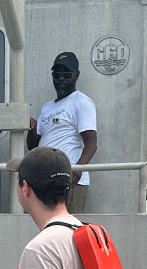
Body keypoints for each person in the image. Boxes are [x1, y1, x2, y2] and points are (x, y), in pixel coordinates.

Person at [27, 51, 98, 213]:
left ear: (77, 75)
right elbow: (33, 146)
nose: (61, 79)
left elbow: (91, 142)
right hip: (46, 181)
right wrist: (32, 128)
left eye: (66, 75)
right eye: (57, 74)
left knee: (68, 233)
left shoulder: (81, 102)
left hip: (69, 181)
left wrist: (78, 169)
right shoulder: (47, 107)